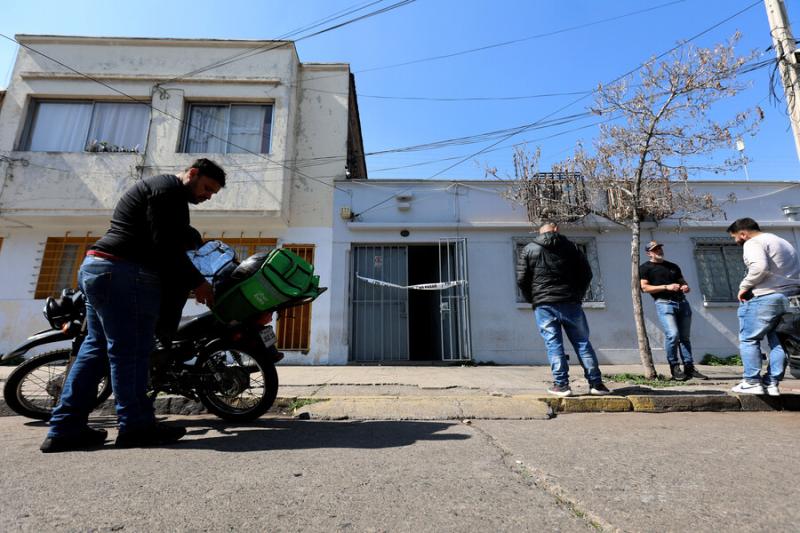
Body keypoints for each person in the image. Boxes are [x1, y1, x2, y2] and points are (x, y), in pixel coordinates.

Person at [40, 159, 225, 453]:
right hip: (124, 273)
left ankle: (64, 428)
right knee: (132, 352)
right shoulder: (168, 191)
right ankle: (136, 426)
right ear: (192, 174)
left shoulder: (162, 191)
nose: (208, 196)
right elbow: (164, 245)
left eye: (213, 193)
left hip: (99, 267)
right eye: (207, 188)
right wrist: (197, 281)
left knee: (95, 350)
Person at [517, 222, 611, 397]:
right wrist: (578, 295)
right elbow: (587, 274)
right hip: (570, 302)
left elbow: (522, 279)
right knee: (582, 343)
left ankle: (562, 385)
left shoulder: (529, 249)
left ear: (540, 232)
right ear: (557, 230)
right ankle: (596, 384)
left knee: (554, 344)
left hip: (544, 304)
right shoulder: (573, 248)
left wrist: (534, 299)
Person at [727, 218, 800, 396]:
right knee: (778, 342)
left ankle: (751, 381)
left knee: (749, 339)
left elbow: (759, 267)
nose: (736, 241)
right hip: (791, 297)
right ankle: (771, 383)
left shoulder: (753, 243)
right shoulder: (782, 242)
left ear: (743, 234)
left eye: (735, 237)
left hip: (766, 296)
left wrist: (744, 286)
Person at [639, 241, 707, 381]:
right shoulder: (645, 268)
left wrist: (685, 287)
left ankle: (689, 367)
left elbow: (683, 282)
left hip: (682, 303)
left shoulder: (673, 266)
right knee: (673, 335)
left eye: (659, 248)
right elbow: (645, 288)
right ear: (649, 253)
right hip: (664, 303)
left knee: (685, 338)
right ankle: (674, 367)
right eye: (655, 249)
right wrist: (666, 287)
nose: (658, 251)